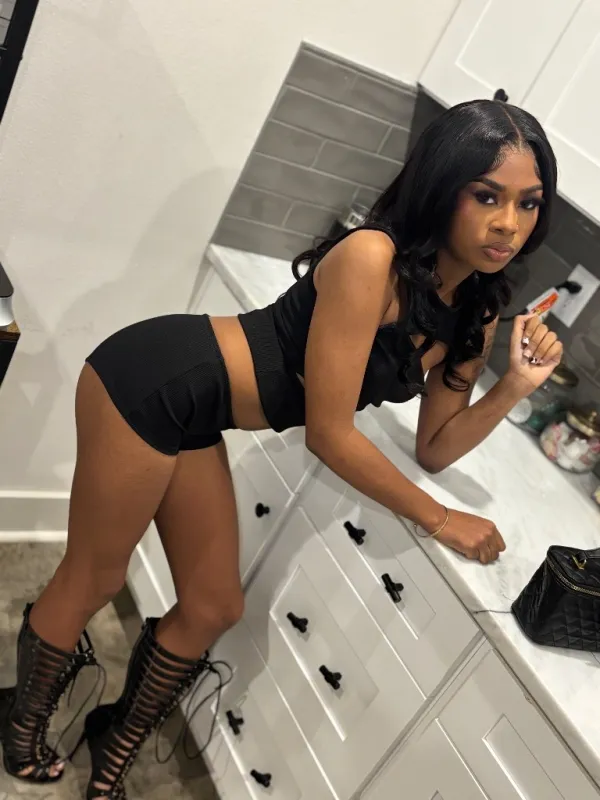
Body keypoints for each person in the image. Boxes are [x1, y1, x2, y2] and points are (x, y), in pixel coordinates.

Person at [0, 98, 562, 798]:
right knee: (95, 576)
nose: (509, 223)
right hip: (149, 382)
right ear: (442, 186)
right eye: (487, 196)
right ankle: (21, 725)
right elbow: (329, 433)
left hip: (200, 416)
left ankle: (114, 737)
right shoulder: (372, 258)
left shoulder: (475, 311)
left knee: (214, 607)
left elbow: (437, 446)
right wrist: (442, 519)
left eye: (529, 203)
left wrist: (513, 385)